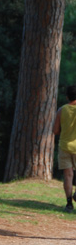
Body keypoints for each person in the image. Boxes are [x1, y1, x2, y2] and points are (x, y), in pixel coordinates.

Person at [53, 85, 76, 213]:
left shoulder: (62, 110)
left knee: (68, 175)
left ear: (67, 96)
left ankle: (69, 204)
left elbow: (55, 130)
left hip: (65, 146)